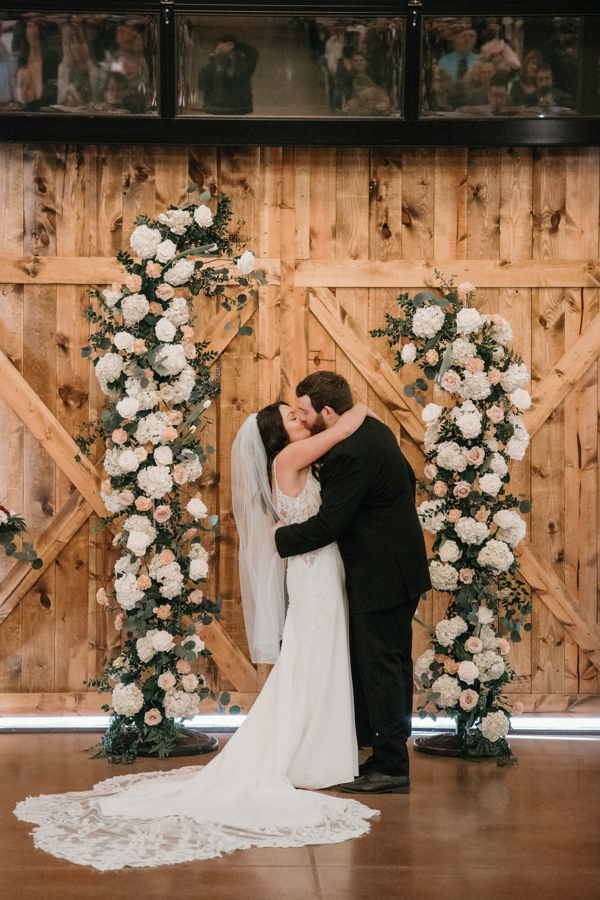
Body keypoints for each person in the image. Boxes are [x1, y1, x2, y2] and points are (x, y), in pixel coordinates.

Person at [14, 397, 382, 870]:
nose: (302, 420)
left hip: (321, 570)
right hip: (313, 576)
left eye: (299, 413)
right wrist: (360, 410)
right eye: (292, 418)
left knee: (320, 659)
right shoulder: (290, 458)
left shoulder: (298, 456)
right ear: (276, 436)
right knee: (312, 659)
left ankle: (319, 752)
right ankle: (309, 757)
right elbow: (338, 432)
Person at [272, 372, 431, 795]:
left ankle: (392, 766)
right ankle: (379, 752)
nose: (302, 419)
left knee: (383, 668)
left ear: (327, 411)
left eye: (305, 412)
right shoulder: (370, 429)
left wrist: (278, 538)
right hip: (398, 567)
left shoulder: (349, 453)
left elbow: (329, 524)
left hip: (382, 575)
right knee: (389, 664)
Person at [198, 34, 259, 116]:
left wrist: (235, 44)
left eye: (231, 52)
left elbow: (253, 55)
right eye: (222, 53)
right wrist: (218, 67)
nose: (227, 56)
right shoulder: (208, 70)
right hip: (216, 109)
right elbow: (202, 87)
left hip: (238, 108)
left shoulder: (242, 70)